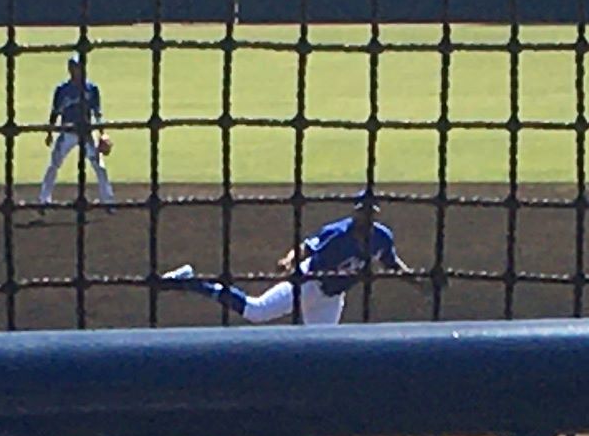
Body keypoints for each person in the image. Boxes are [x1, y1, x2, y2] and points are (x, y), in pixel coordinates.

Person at [160, 194, 414, 326]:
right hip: (306, 283)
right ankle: (192, 281)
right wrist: (290, 260)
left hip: (330, 299)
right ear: (355, 211)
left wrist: (419, 282)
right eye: (362, 211)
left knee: (324, 350)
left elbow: (391, 263)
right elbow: (306, 247)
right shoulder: (337, 233)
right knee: (256, 311)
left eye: (370, 211)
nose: (366, 216)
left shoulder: (382, 237)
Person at [35, 52, 115, 206]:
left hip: (87, 134)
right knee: (54, 165)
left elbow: (97, 113)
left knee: (100, 167)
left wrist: (103, 133)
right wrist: (49, 133)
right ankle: (43, 199)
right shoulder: (62, 90)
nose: (76, 70)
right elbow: (55, 113)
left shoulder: (92, 89)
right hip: (67, 133)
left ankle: (108, 201)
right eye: (73, 67)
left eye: (78, 67)